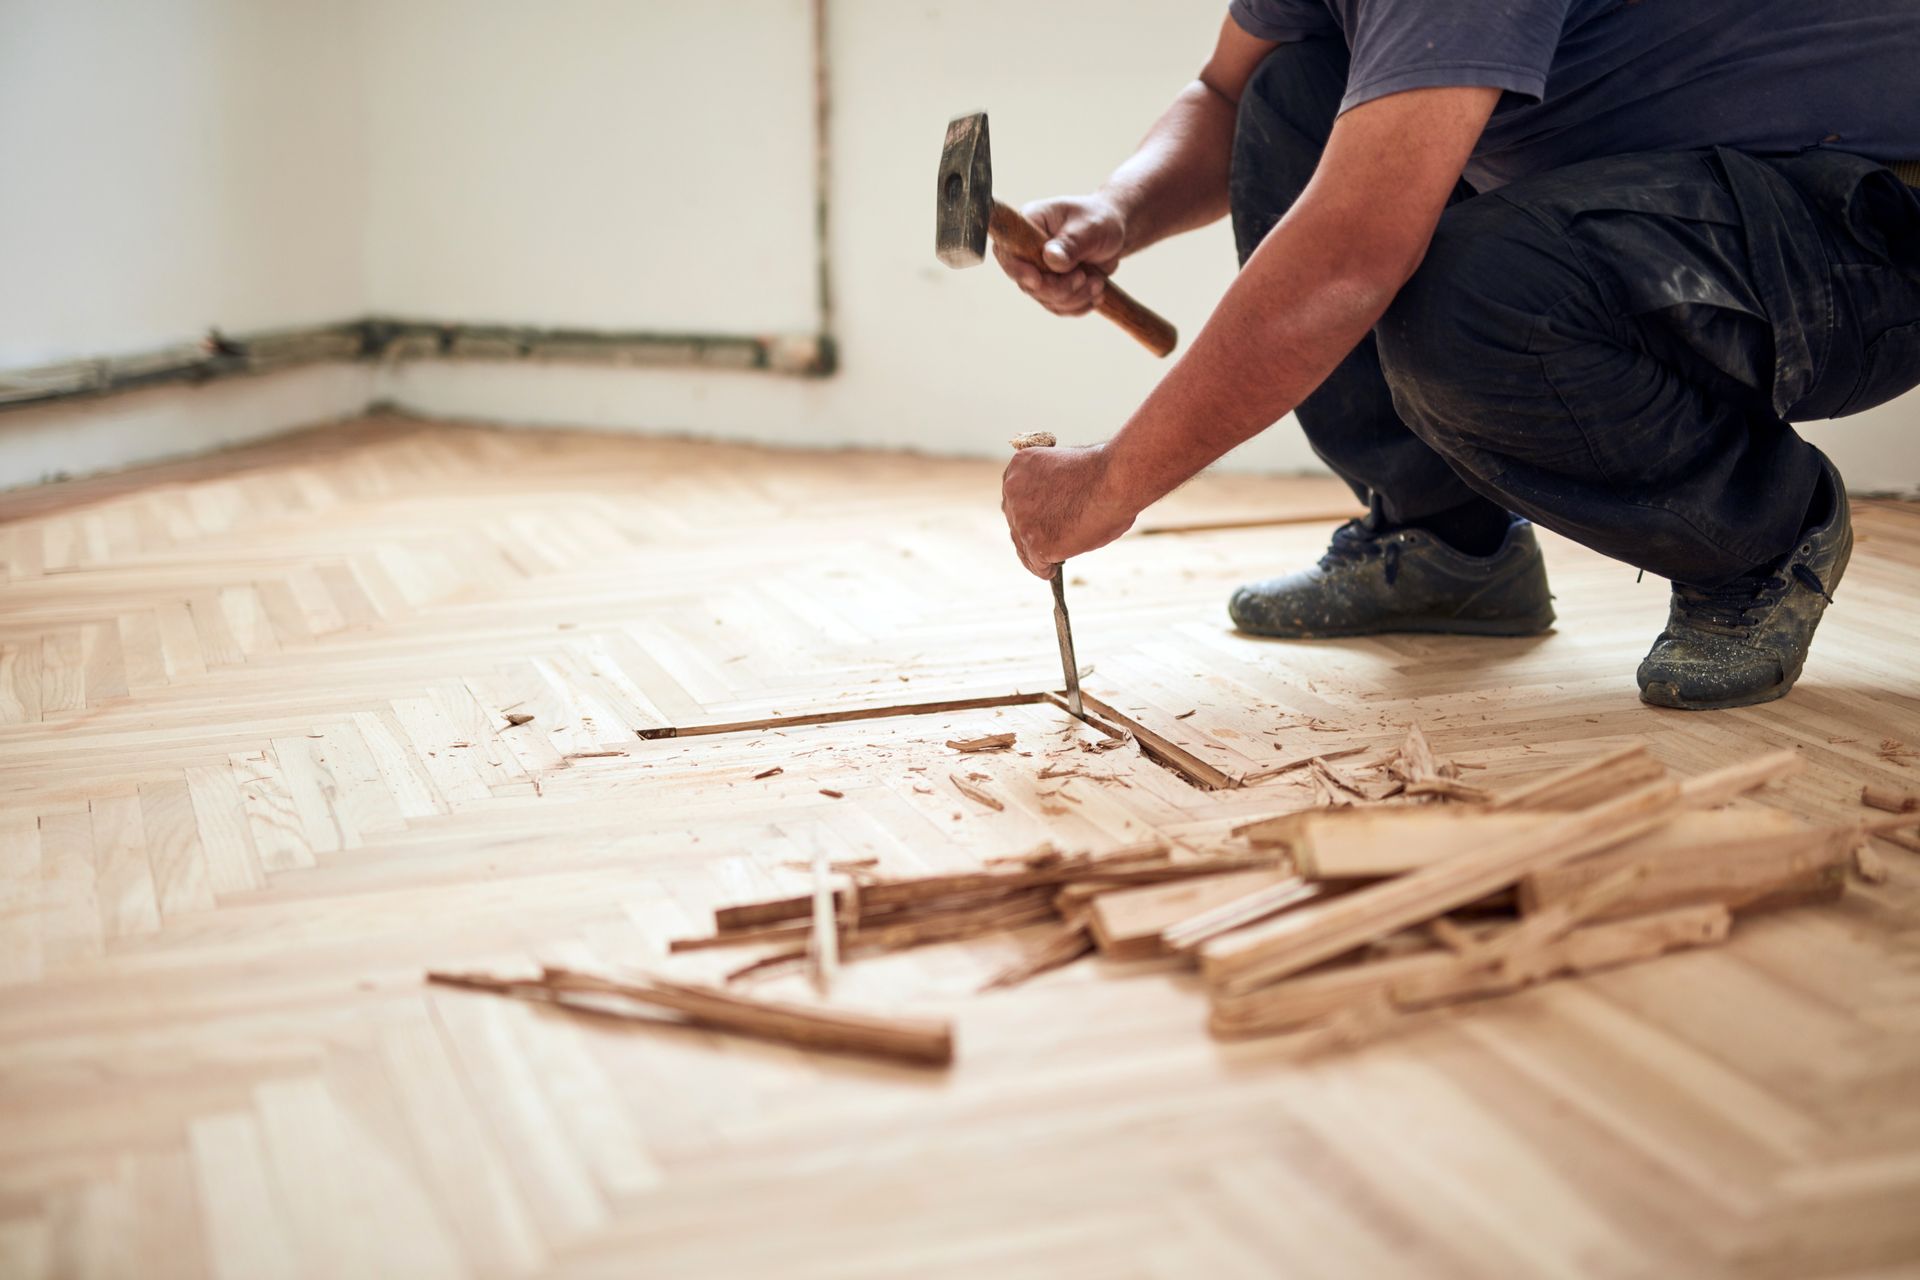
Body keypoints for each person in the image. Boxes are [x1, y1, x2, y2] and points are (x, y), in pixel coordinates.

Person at [996, 1, 1920, 710]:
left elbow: (1347, 260)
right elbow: (1229, 95)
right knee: (1296, 87)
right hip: (1691, 209)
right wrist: (1120, 208)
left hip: (1867, 233)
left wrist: (1110, 484)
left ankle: (1757, 537)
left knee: (1468, 298)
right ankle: (1445, 545)